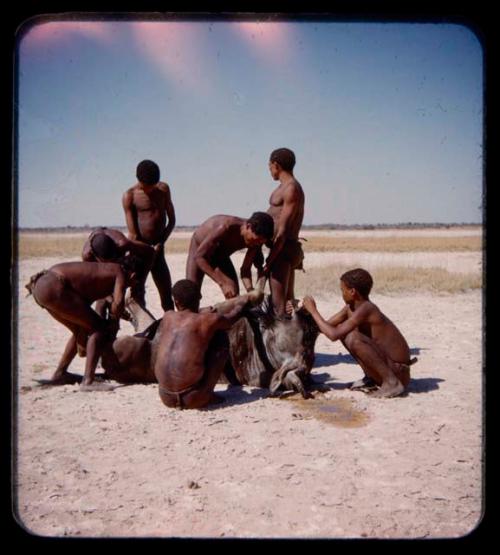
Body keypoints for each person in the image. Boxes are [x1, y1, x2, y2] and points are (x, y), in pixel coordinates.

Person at [25, 254, 140, 391]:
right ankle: (88, 381)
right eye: (136, 281)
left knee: (80, 328)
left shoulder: (106, 270)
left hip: (41, 288)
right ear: (133, 275)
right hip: (54, 286)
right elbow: (119, 302)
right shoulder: (119, 272)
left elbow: (109, 299)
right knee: (99, 328)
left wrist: (120, 314)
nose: (135, 283)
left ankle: (60, 373)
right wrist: (114, 321)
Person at [300, 268, 417, 398]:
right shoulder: (350, 308)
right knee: (345, 333)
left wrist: (314, 311)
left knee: (353, 337)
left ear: (352, 292)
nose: (342, 294)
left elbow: (333, 335)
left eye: (342, 290)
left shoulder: (367, 309)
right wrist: (304, 312)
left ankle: (391, 383)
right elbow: (325, 328)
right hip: (389, 367)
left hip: (399, 373)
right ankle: (371, 378)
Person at [154, 279, 260, 409]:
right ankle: (209, 393)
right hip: (194, 398)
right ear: (199, 297)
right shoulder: (208, 320)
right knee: (220, 336)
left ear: (176, 302)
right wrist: (245, 300)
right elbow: (232, 317)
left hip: (165, 397)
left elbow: (188, 317)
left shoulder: (168, 317)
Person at [122, 159, 176, 311]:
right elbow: (133, 234)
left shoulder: (163, 190)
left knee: (166, 292)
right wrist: (139, 252)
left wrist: (162, 242)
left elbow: (171, 220)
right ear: (139, 180)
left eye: (154, 186)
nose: (151, 190)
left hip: (159, 250)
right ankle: (142, 330)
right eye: (148, 187)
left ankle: (170, 324)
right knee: (138, 294)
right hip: (140, 252)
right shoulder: (129, 196)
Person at [186, 212, 274, 299]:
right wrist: (222, 283)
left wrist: (250, 291)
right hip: (200, 249)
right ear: (248, 226)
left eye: (260, 242)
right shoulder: (225, 227)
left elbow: (245, 270)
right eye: (255, 240)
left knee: (233, 293)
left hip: (220, 255)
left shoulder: (256, 241)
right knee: (190, 294)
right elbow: (199, 257)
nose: (256, 244)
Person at [263, 148, 305, 318]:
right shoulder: (286, 187)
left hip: (283, 249)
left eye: (269, 166)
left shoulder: (291, 188)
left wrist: (270, 259)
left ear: (276, 164)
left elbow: (283, 230)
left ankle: (283, 343)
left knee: (279, 307)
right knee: (288, 304)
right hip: (282, 249)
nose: (269, 170)